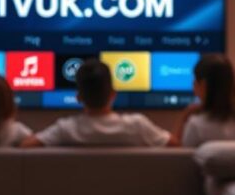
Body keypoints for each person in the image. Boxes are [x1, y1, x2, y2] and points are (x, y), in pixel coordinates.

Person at [21, 59, 176, 147]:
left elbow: (25, 147)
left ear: (78, 97)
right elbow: (176, 146)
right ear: (113, 93)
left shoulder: (66, 129)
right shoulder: (137, 126)